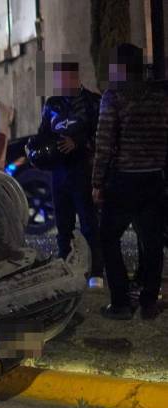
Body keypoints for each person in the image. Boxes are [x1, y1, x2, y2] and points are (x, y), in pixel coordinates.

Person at [92, 43, 168, 320]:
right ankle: (148, 302)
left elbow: (103, 143)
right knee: (152, 241)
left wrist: (97, 182)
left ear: (120, 68)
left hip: (123, 181)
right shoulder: (160, 96)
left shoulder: (114, 97)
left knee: (108, 238)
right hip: (153, 179)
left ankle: (121, 302)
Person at [32, 60, 105, 288]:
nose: (61, 84)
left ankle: (96, 272)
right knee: (63, 225)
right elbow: (43, 133)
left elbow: (103, 136)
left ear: (75, 78)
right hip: (58, 172)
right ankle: (65, 265)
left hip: (82, 169)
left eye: (64, 79)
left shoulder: (92, 102)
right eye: (57, 80)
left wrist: (79, 142)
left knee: (88, 223)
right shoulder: (52, 104)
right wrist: (37, 153)